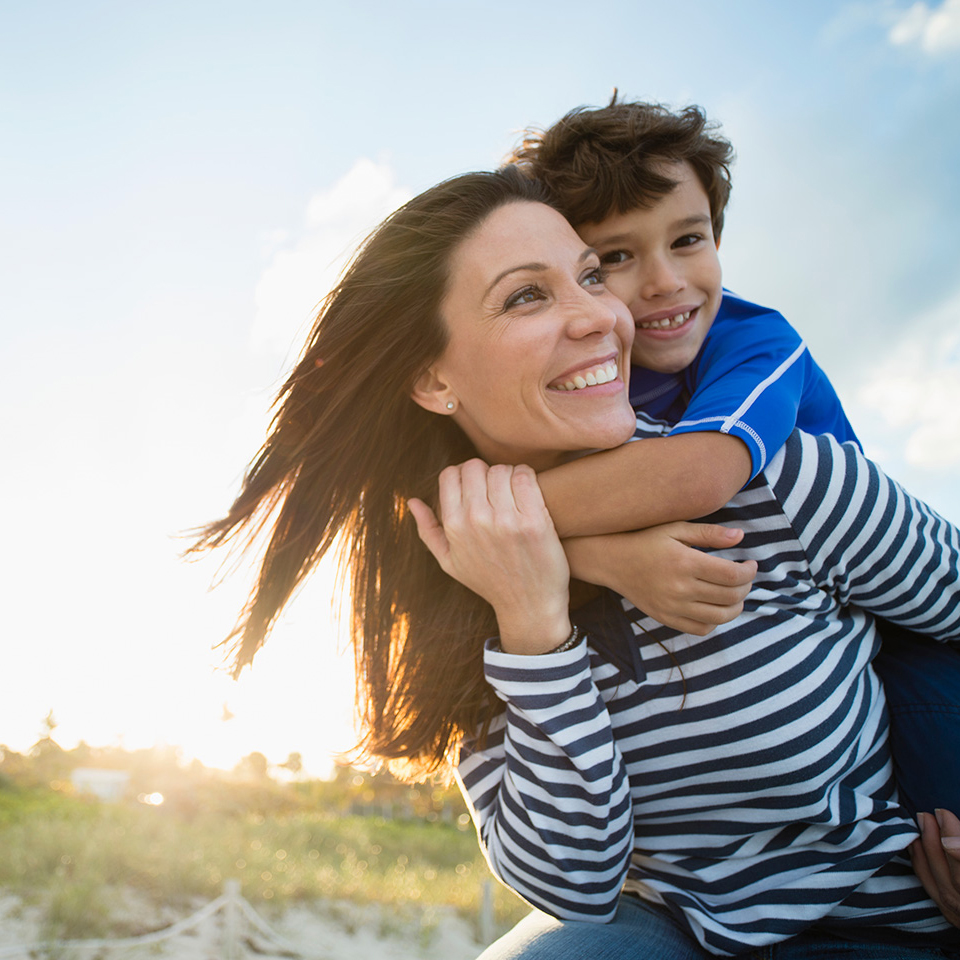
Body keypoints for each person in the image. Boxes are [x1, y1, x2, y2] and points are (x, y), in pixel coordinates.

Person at [194, 167, 960, 955]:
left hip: (884, 922)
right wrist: (533, 626)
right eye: (527, 295)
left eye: (591, 277)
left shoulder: (775, 478)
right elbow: (573, 885)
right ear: (432, 378)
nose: (602, 316)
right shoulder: (454, 582)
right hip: (667, 929)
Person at [506, 94, 960, 821]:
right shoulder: (589, 376)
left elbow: (699, 474)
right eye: (616, 257)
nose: (663, 281)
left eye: (689, 240)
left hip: (895, 632)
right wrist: (610, 559)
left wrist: (503, 527)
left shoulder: (756, 342)